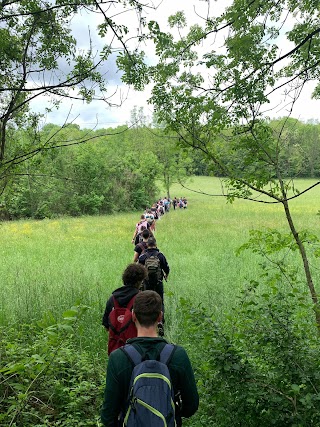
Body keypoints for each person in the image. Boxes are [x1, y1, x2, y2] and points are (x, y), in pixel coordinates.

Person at [100, 290, 199, 427]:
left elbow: (107, 416)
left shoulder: (118, 357)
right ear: (160, 317)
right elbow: (191, 406)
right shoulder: (178, 355)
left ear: (133, 316)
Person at [102, 263, 147, 354]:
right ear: (139, 281)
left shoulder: (112, 299)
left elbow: (107, 326)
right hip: (136, 350)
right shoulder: (141, 299)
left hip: (116, 351)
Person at [138, 236, 170, 335]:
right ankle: (160, 321)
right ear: (155, 244)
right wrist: (165, 276)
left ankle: (148, 323)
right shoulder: (160, 255)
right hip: (158, 283)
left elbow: (139, 269)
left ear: (147, 244)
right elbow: (167, 269)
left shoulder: (143, 256)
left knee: (147, 302)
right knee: (160, 302)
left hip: (147, 284)